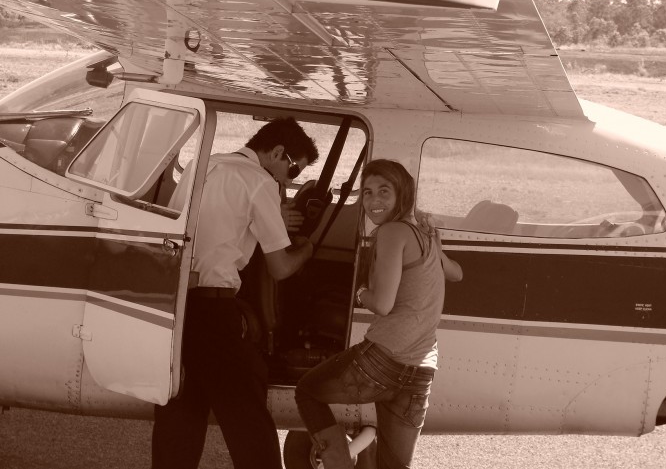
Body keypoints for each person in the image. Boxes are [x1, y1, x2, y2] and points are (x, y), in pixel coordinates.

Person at [152, 117, 319, 469]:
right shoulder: (260, 183)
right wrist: (306, 250)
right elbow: (280, 267)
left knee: (181, 408)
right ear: (278, 152)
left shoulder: (200, 166)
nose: (288, 181)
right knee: (248, 412)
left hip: (176, 303)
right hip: (213, 311)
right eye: (292, 171)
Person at [295, 159, 463, 469]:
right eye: (367, 192)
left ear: (403, 195)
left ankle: (338, 465)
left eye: (384, 191)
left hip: (383, 359)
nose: (374, 200)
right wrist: (437, 246)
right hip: (421, 371)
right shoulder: (424, 235)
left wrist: (360, 293)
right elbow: (456, 273)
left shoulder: (391, 232)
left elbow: (382, 305)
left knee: (307, 392)